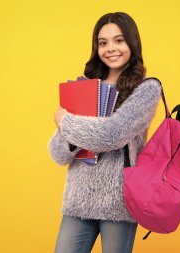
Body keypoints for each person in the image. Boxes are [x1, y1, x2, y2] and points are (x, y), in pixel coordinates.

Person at [48, 12, 161, 253]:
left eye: (119, 40)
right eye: (103, 42)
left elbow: (113, 134)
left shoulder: (147, 88)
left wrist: (66, 122)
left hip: (118, 202)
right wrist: (69, 130)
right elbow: (58, 154)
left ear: (132, 43)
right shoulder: (85, 88)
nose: (111, 48)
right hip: (78, 199)